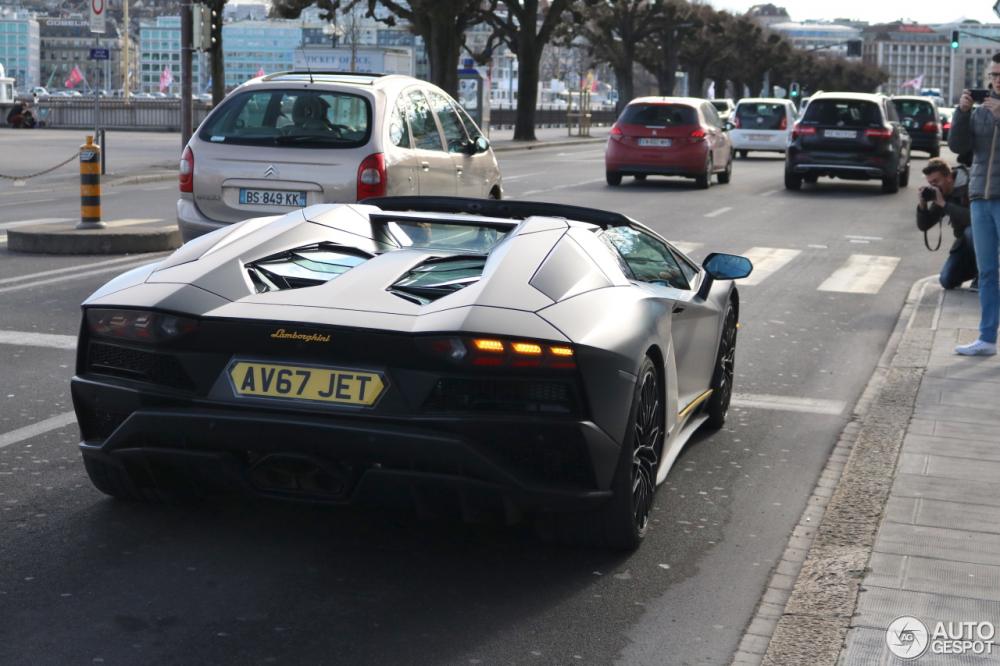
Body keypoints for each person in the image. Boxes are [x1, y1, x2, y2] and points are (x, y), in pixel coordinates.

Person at [948, 53, 1000, 356]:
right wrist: (963, 113)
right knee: (988, 271)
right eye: (993, 75)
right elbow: (959, 147)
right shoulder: (981, 111)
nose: (996, 80)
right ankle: (987, 339)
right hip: (981, 196)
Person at [916, 158, 976, 290]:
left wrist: (944, 204)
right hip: (964, 243)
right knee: (946, 280)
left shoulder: (971, 185)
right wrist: (923, 204)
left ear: (948, 177)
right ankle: (977, 270)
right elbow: (924, 225)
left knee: (971, 231)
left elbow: (976, 219)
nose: (934, 186)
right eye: (931, 183)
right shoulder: (943, 192)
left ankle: (985, 274)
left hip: (987, 238)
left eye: (936, 181)